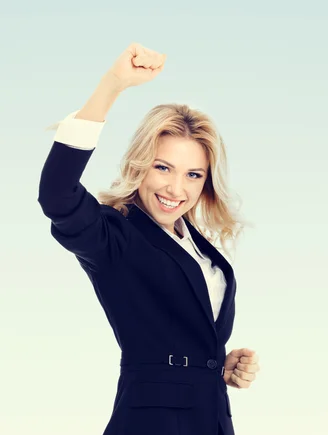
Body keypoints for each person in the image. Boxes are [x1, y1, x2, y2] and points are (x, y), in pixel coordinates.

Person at [38, 42, 260, 435]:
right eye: (163, 167)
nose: (176, 188)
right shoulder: (115, 237)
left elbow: (176, 329)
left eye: (194, 174)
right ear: (139, 164)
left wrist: (216, 363)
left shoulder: (195, 244)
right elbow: (58, 195)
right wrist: (113, 85)